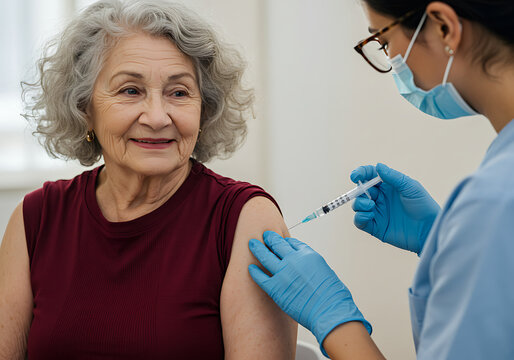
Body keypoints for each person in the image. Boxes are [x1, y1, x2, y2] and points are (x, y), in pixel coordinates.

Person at [0, 0, 297, 359]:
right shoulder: (36, 218)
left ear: (205, 109)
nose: (157, 117)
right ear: (83, 108)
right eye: (130, 90)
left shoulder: (244, 220)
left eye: (179, 93)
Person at [248, 0, 514, 359]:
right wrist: (441, 243)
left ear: (443, 28)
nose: (392, 64)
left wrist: (334, 318)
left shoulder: (495, 201)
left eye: (384, 42)